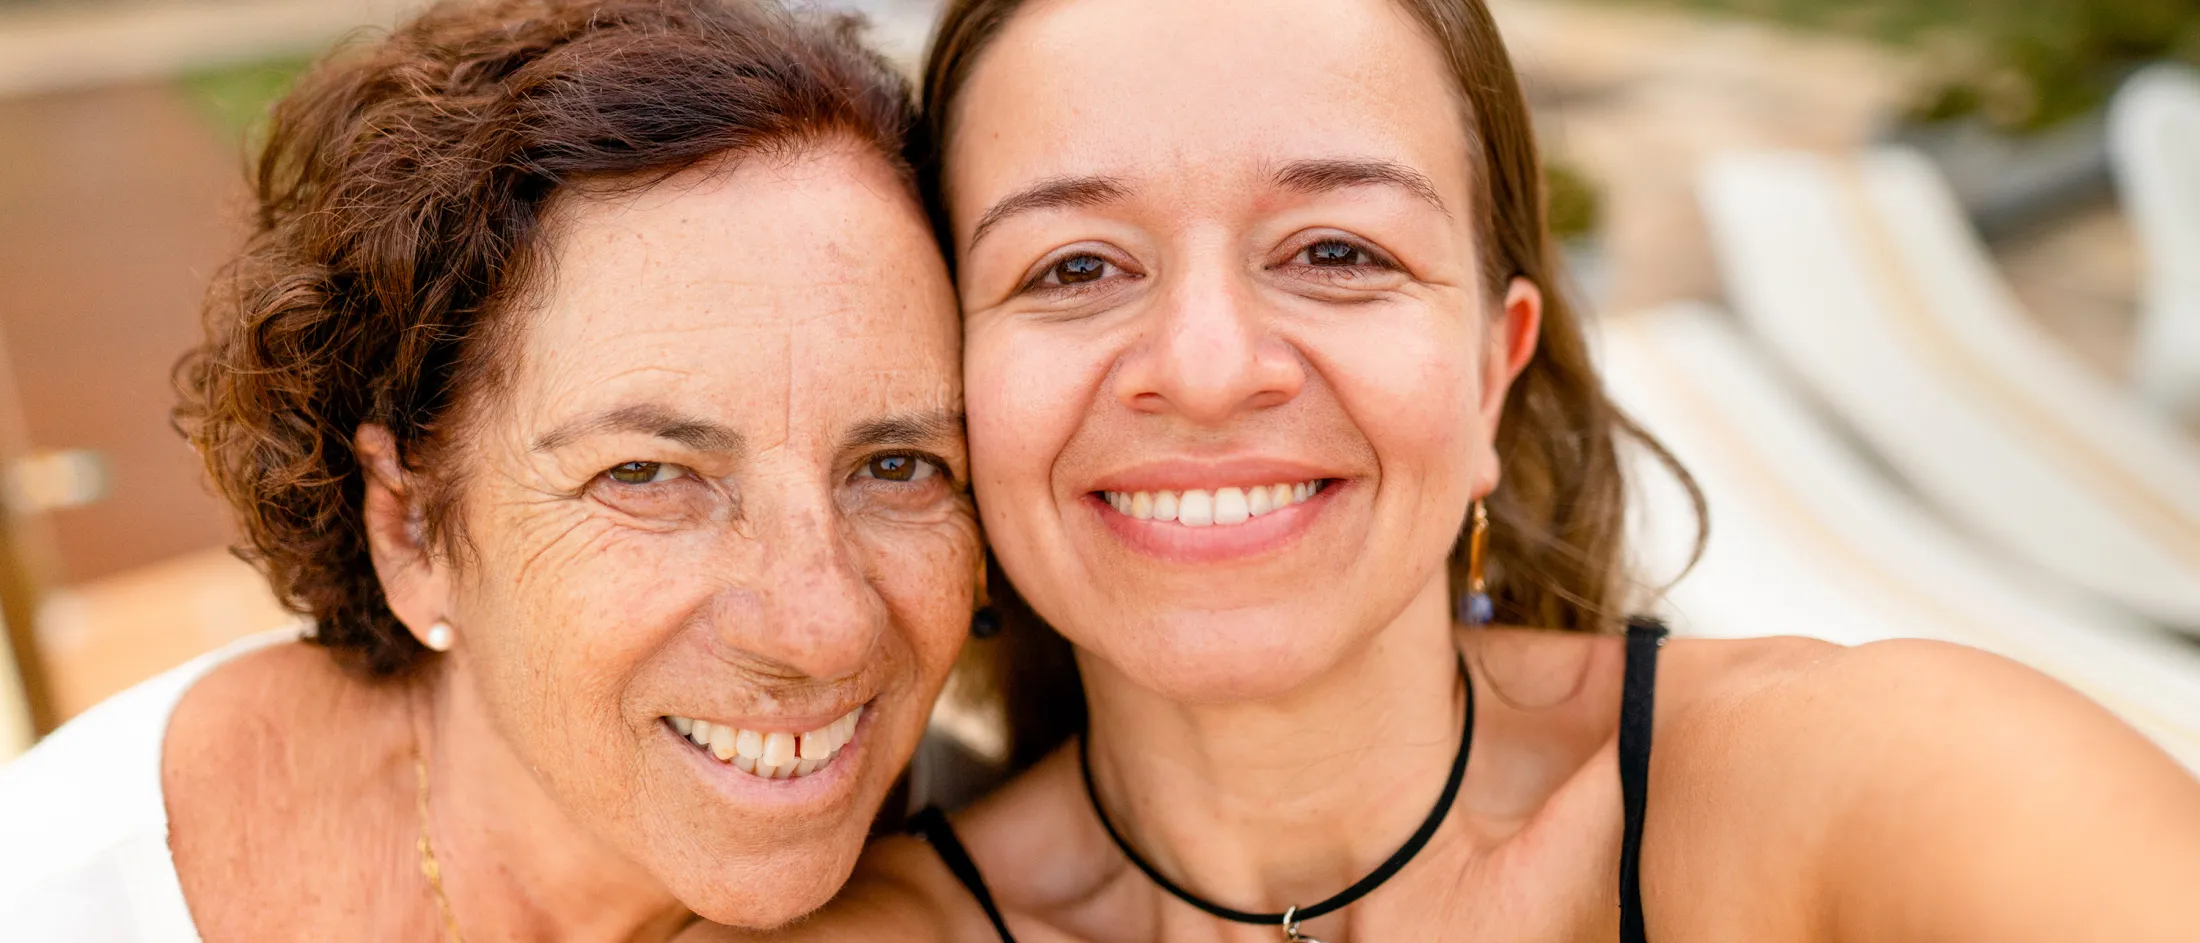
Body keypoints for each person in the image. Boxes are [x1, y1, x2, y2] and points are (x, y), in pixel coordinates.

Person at [692, 0, 2200, 940]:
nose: (1210, 366)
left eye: (1337, 250)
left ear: (1494, 367)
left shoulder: (1882, 792)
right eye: (1076, 264)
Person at [0, 0, 980, 938]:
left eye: (897, 464)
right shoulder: (56, 899)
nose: (823, 628)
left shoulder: (990, 841)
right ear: (412, 525)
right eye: (646, 474)